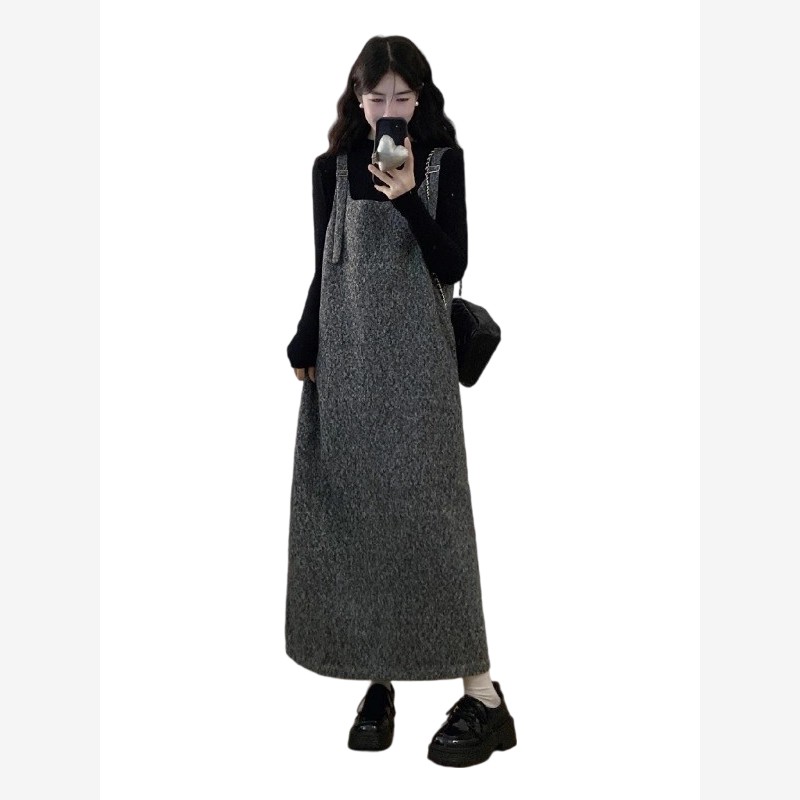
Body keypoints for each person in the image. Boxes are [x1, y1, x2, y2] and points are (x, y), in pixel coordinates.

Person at [285, 35, 516, 768]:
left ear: (421, 98)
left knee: (433, 520)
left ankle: (483, 694)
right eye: (377, 96)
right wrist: (305, 340)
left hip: (419, 369)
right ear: (358, 99)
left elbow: (453, 262)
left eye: (403, 97)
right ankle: (379, 679)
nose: (390, 108)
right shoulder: (329, 169)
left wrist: (409, 194)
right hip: (348, 361)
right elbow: (323, 266)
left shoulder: (443, 163)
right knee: (357, 518)